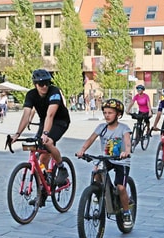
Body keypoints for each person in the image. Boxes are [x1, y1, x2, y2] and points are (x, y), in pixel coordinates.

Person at [76, 99, 134, 229]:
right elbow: (91, 139)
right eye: (105, 112)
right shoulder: (101, 127)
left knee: (121, 188)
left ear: (118, 114)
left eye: (110, 113)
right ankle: (98, 191)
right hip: (107, 158)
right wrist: (82, 150)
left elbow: (127, 141)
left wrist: (127, 151)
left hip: (121, 160)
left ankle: (126, 212)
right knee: (96, 171)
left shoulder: (124, 128)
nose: (107, 115)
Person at [10, 69, 71, 185]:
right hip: (44, 121)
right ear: (35, 85)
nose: (44, 87)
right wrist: (17, 134)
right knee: (38, 152)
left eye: (47, 83)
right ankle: (42, 188)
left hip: (60, 121)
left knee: (47, 143)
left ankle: (62, 167)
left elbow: (51, 114)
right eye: (41, 84)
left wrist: (45, 133)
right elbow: (26, 115)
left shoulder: (54, 92)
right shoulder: (31, 95)